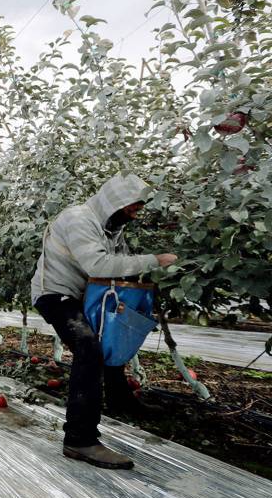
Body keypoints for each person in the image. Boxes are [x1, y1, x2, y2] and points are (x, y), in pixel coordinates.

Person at [30, 173, 177, 470]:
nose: (136, 213)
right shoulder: (79, 220)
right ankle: (79, 439)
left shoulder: (111, 229)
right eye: (133, 207)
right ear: (116, 202)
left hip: (86, 295)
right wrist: (154, 260)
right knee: (88, 346)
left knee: (110, 338)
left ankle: (121, 400)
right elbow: (98, 264)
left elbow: (117, 266)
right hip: (55, 294)